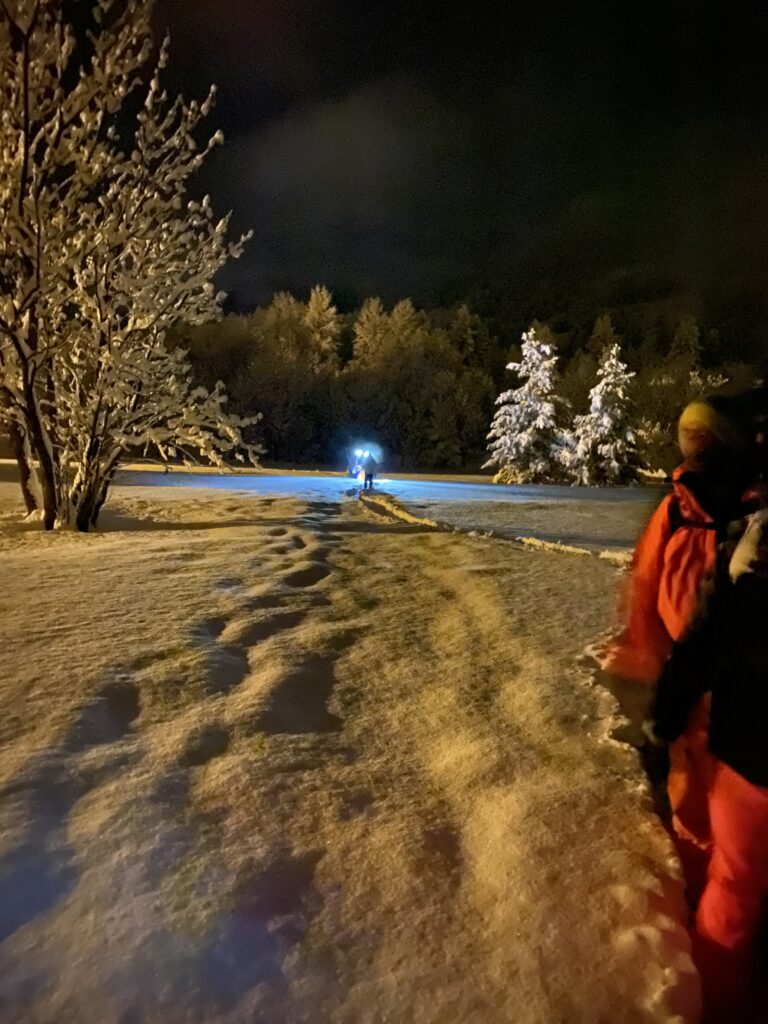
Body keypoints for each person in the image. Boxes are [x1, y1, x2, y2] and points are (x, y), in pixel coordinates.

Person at [595, 397, 750, 901]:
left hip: (712, 675)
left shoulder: (707, 508)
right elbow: (645, 586)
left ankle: (707, 892)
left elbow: (645, 585)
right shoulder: (694, 506)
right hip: (706, 675)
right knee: (708, 794)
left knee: (711, 801)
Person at [650, 456, 768, 1020]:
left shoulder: (751, 536)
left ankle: (719, 1006)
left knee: (735, 888)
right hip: (743, 743)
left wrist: (667, 712)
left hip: (748, 746)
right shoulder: (730, 525)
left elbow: (705, 634)